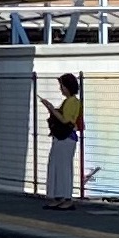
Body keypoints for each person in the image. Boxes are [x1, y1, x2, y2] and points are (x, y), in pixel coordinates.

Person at [39, 73, 83, 210]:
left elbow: (65, 120)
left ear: (67, 86)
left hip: (65, 138)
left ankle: (65, 197)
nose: (60, 89)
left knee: (61, 167)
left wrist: (51, 108)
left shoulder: (71, 102)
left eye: (62, 86)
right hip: (66, 138)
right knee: (60, 167)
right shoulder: (71, 101)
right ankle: (62, 196)